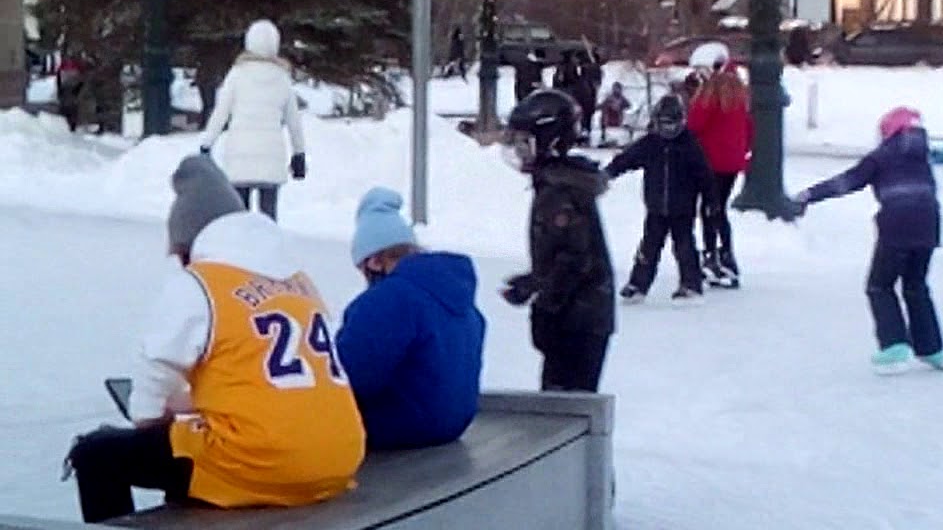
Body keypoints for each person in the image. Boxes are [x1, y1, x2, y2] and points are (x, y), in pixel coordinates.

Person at [64, 155, 364, 523]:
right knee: (185, 445)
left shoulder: (202, 282)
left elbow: (157, 361)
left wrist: (148, 417)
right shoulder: (299, 281)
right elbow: (272, 376)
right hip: (338, 456)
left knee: (96, 455)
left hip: (268, 463)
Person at [786, 107, 943, 374]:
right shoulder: (923, 157)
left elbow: (847, 182)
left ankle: (894, 346)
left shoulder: (881, 157)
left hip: (896, 225)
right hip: (929, 225)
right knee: (916, 285)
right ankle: (931, 348)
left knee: (880, 285)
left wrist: (809, 195)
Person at [337, 188, 485, 450]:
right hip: (452, 425)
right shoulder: (455, 293)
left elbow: (351, 378)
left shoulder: (387, 300)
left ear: (374, 262)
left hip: (397, 428)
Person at [499, 89, 615, 392]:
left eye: (524, 143)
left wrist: (547, 307)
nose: (519, 152)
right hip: (581, 315)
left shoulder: (559, 192)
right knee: (564, 401)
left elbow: (575, 259)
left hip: (578, 320)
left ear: (548, 141)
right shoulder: (556, 182)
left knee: (566, 405)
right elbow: (566, 251)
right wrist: (534, 282)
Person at [606, 95, 714, 304]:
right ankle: (638, 284)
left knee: (684, 245)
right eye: (663, 124)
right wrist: (610, 172)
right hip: (656, 206)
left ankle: (691, 283)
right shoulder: (650, 144)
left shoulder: (689, 145)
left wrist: (711, 200)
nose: (667, 130)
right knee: (649, 246)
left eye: (671, 124)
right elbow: (628, 158)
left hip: (682, 207)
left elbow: (704, 175)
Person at [200, 19, 306, 221]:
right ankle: (268, 239)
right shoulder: (282, 78)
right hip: (271, 155)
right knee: (268, 217)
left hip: (239, 153)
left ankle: (242, 240)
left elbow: (221, 112)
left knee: (240, 216)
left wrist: (207, 144)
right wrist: (299, 153)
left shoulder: (237, 74)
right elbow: (294, 121)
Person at [688, 67, 753, 288]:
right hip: (732, 163)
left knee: (708, 209)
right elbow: (750, 132)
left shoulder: (709, 100)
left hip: (710, 161)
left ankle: (711, 256)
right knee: (719, 209)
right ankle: (726, 255)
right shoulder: (740, 104)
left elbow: (694, 126)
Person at [55, 54, 87, 132]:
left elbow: (82, 79)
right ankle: (66, 124)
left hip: (72, 89)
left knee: (72, 107)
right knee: (67, 107)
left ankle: (71, 124)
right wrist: (59, 89)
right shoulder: (63, 67)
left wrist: (78, 88)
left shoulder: (77, 66)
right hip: (66, 89)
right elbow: (59, 78)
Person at [597, 82, 632, 146]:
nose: (616, 90)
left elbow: (628, 105)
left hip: (618, 119)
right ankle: (603, 137)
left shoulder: (622, 99)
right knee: (604, 115)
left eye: (618, 88)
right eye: (614, 88)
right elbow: (601, 106)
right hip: (608, 120)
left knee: (628, 123)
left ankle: (628, 139)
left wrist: (620, 106)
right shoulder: (609, 98)